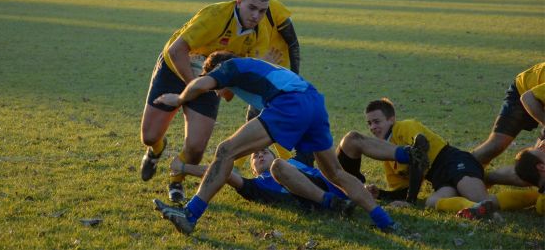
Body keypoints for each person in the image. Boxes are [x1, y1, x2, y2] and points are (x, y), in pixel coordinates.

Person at [153, 51, 399, 235]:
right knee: (334, 172)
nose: (217, 93)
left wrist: (180, 97)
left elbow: (202, 84)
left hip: (290, 103)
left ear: (217, 70)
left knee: (225, 150)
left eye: (215, 83)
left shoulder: (229, 67)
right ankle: (385, 221)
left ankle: (190, 214)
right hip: (313, 101)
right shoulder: (251, 71)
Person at [139, 0, 272, 203]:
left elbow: (242, 72)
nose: (257, 15)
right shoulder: (215, 16)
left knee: (196, 148)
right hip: (175, 67)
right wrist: (193, 87)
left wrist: (226, 89)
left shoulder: (260, 35)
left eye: (262, 11)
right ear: (239, 2)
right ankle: (156, 149)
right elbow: (176, 51)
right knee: (150, 136)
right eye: (252, 8)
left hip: (211, 77)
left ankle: (176, 180)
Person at [338, 98, 496, 217]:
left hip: (455, 162)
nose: (372, 127)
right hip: (439, 178)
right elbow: (403, 190)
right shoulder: (387, 154)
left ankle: (496, 214)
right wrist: (380, 194)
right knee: (431, 202)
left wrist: (410, 201)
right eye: (369, 123)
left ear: (391, 119)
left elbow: (420, 154)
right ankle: (473, 210)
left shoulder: (405, 127)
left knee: (479, 198)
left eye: (377, 121)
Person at [235, 0, 312, 166]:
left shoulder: (273, 8)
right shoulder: (239, 11)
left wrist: (294, 77)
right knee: (260, 122)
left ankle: (235, 165)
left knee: (263, 123)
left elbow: (293, 43)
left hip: (280, 78)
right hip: (260, 76)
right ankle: (296, 167)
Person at [169, 147, 356, 215]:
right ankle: (332, 202)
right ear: (252, 169)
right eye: (255, 156)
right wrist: (183, 168)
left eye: (264, 152)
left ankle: (367, 193)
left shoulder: (294, 162)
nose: (259, 155)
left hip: (342, 187)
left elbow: (310, 138)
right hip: (312, 202)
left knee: (349, 141)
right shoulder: (255, 186)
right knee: (279, 167)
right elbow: (219, 172)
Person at [472, 62, 545, 170]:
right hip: (524, 90)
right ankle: (461, 170)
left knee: (537, 164)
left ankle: (485, 179)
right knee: (497, 144)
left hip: (539, 95)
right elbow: (528, 98)